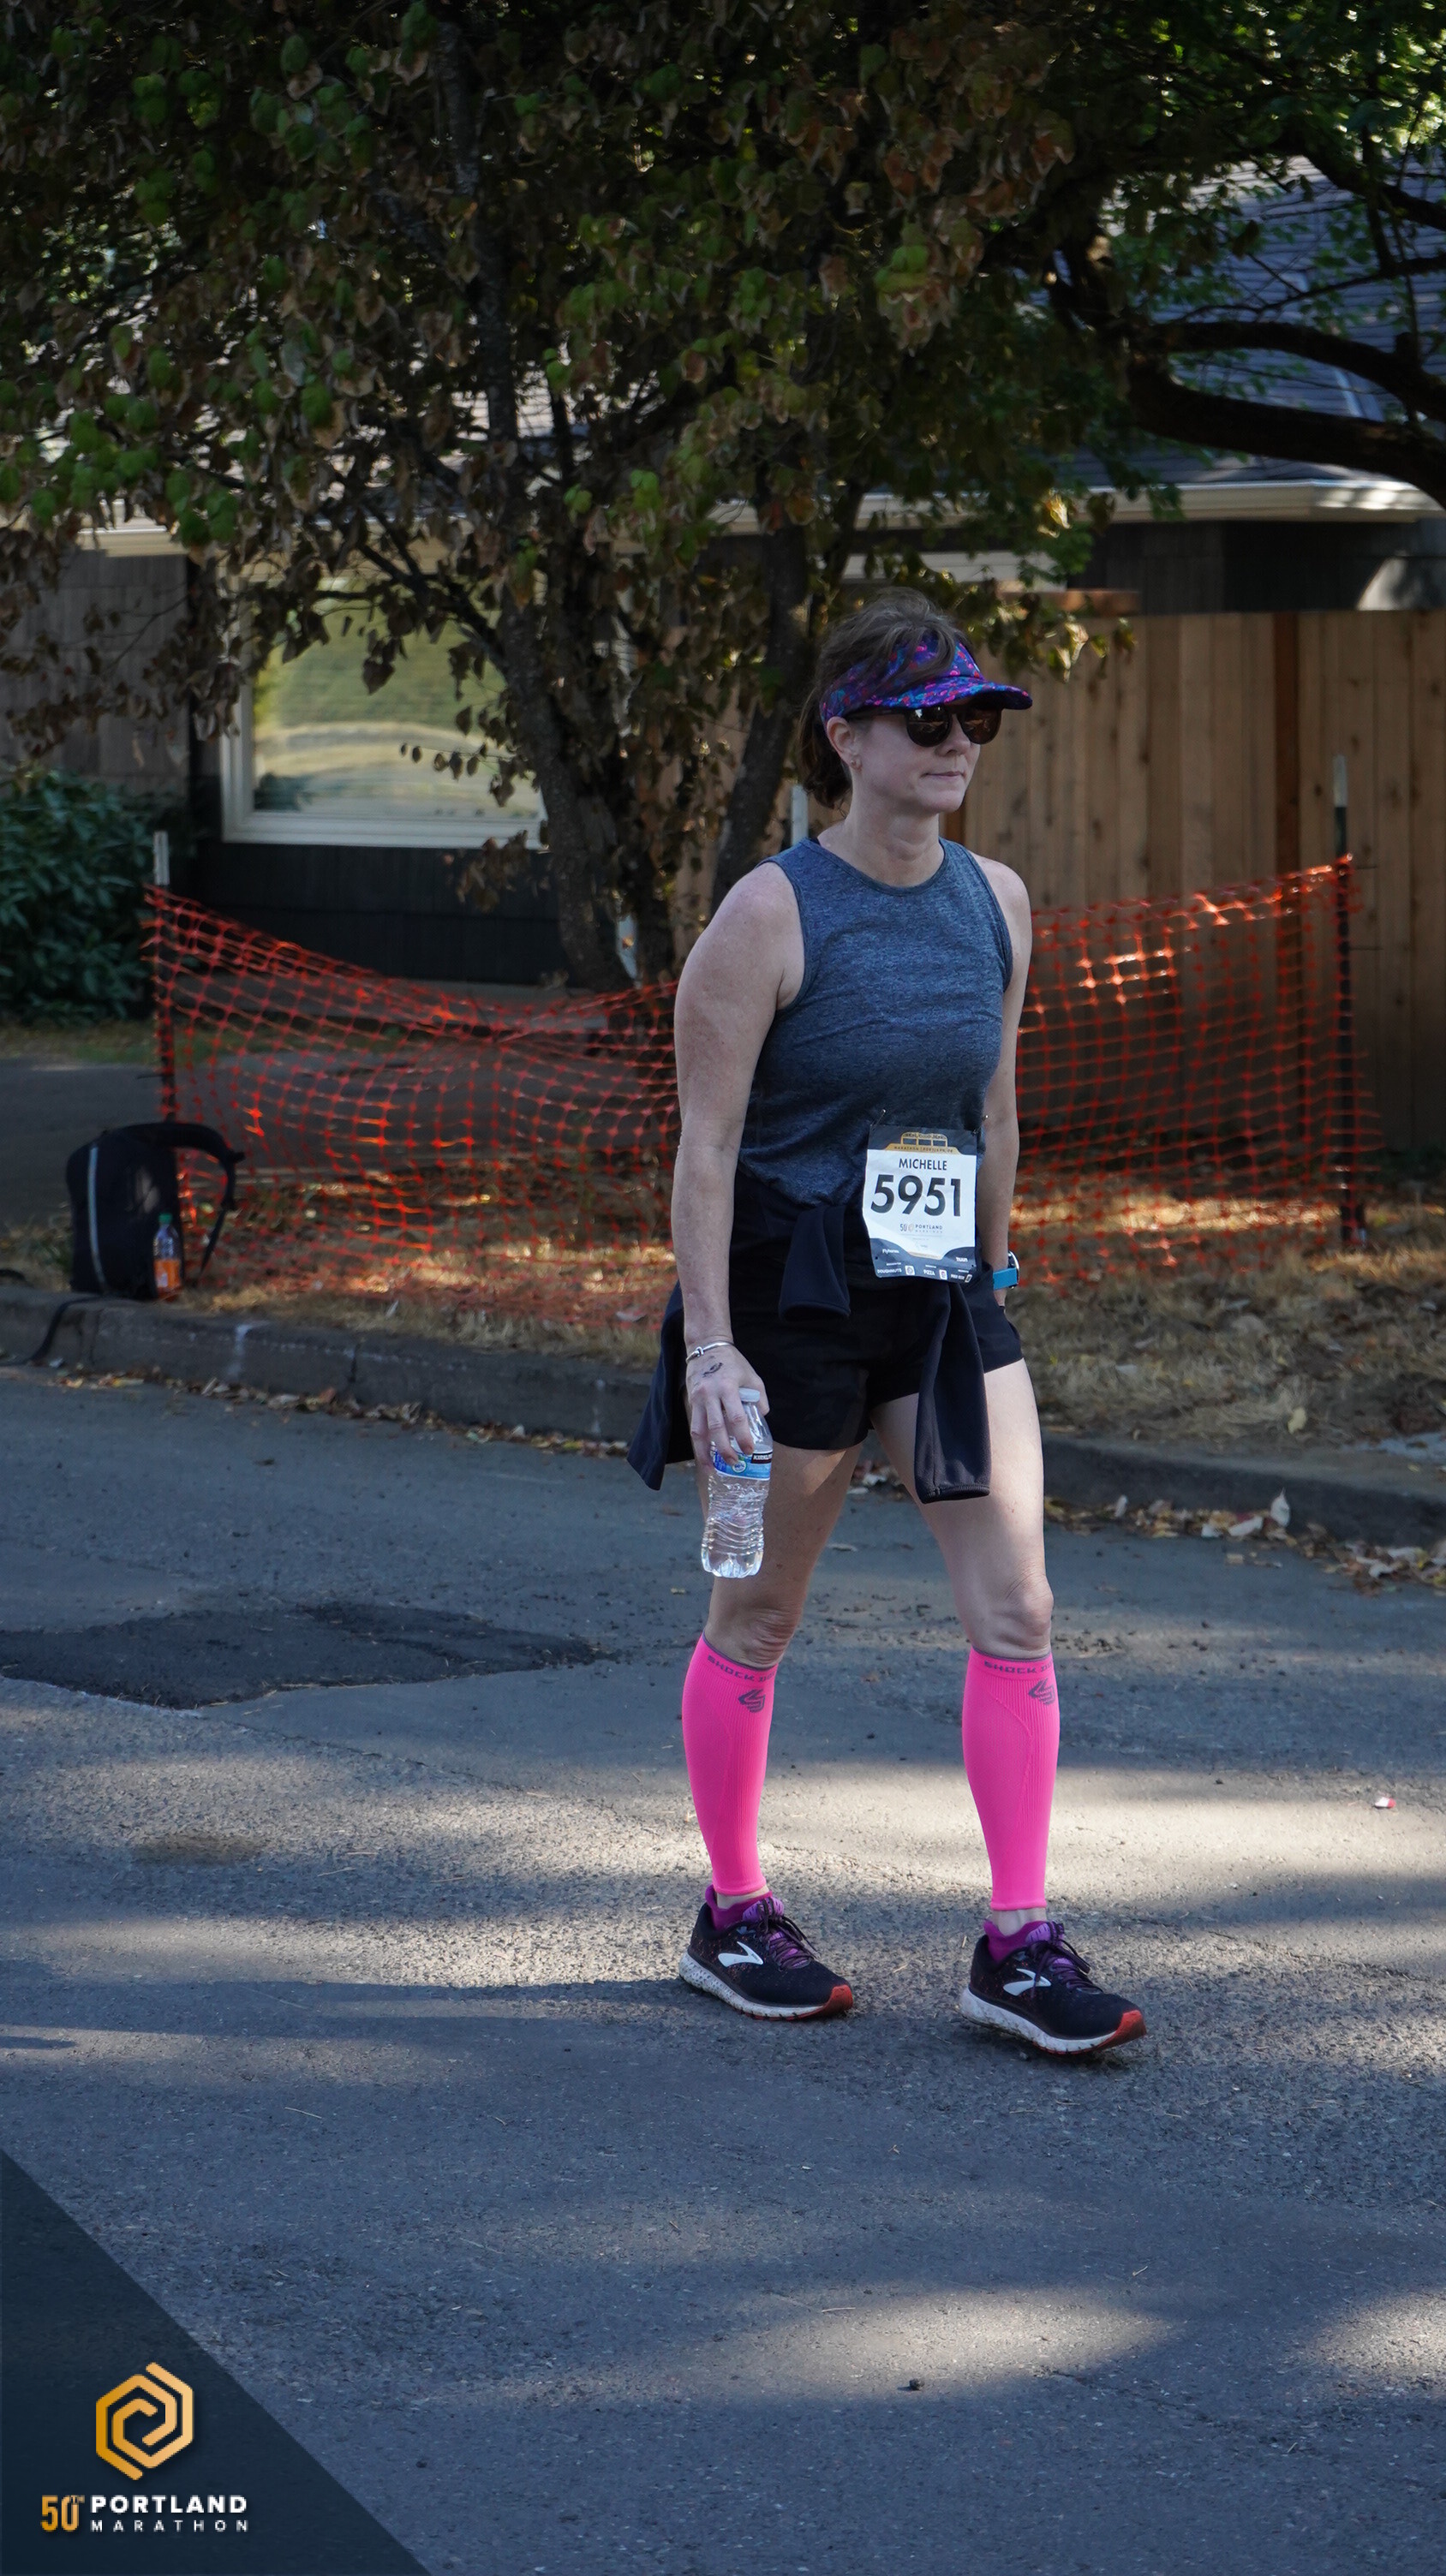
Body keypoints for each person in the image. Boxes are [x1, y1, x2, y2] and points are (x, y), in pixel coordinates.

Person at [629, 591, 1144, 2058]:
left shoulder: (998, 902)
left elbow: (994, 1109)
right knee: (758, 1612)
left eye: (974, 716)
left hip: (942, 1295)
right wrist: (712, 1349)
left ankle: (1018, 1943)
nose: (956, 740)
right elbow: (706, 1151)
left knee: (1019, 1607)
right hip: (788, 1301)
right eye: (925, 717)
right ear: (846, 737)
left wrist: (994, 1277)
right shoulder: (769, 914)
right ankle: (734, 1912)